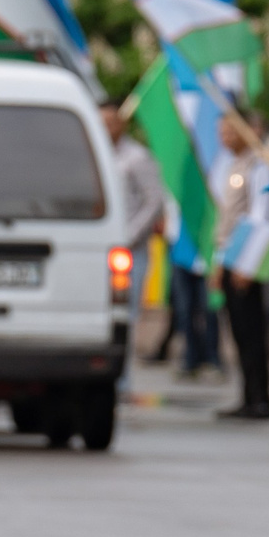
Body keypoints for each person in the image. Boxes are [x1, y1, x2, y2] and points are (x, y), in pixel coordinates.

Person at [212, 114, 269, 422]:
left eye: (229, 129)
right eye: (221, 130)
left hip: (245, 262)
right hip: (229, 259)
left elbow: (261, 217)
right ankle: (248, 395)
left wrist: (247, 265)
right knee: (238, 332)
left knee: (252, 332)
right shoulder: (230, 165)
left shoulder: (258, 167)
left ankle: (261, 398)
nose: (224, 136)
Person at [103, 104, 166, 398]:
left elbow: (154, 201)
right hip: (98, 247)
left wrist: (128, 236)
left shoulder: (137, 158)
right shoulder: (95, 153)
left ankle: (121, 380)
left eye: (111, 121)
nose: (106, 127)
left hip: (129, 250)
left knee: (124, 314)